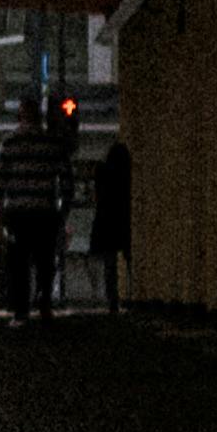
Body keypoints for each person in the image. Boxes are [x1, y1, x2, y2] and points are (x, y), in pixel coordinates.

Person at [0, 98, 68, 325]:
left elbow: (0, 182)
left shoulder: (9, 143)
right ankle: (44, 299)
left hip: (17, 213)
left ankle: (21, 311)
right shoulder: (51, 143)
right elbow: (65, 177)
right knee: (45, 259)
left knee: (19, 263)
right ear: (39, 116)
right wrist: (63, 210)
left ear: (20, 115)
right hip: (45, 211)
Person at [88, 130, 135, 311]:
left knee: (110, 265)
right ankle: (134, 295)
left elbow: (97, 194)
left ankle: (112, 300)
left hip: (105, 221)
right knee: (130, 260)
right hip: (124, 219)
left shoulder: (102, 172)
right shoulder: (127, 176)